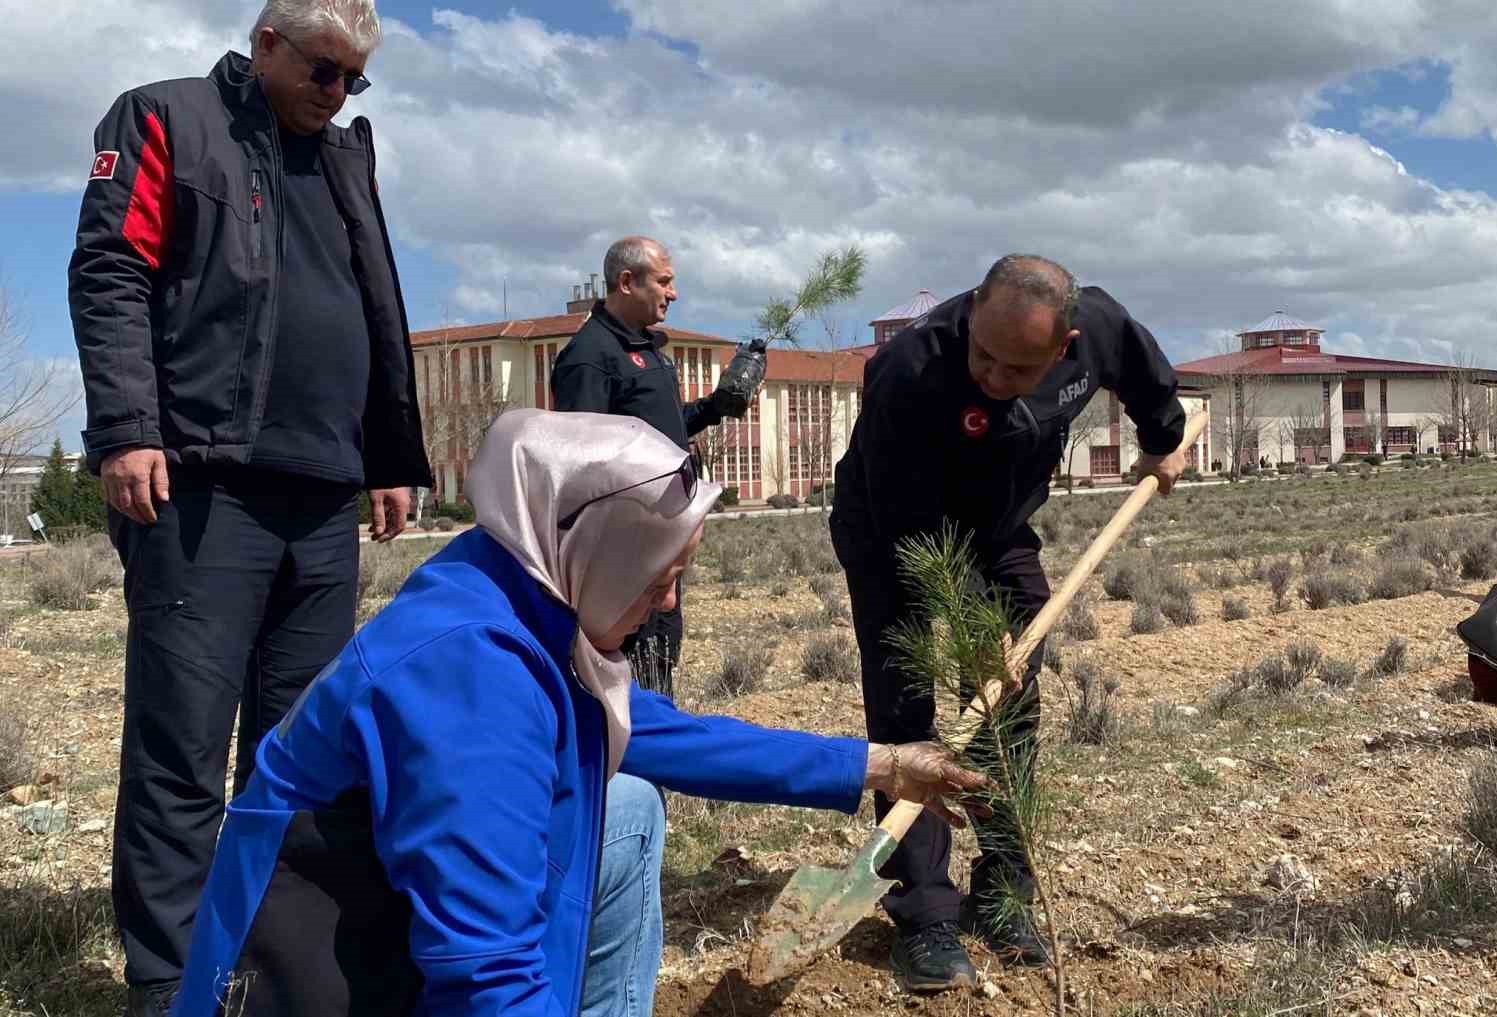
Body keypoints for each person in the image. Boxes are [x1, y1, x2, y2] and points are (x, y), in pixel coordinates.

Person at [169, 410, 985, 1017]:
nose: (667, 603)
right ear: (598, 547)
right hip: (307, 980)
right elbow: (485, 967)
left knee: (626, 806)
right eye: (659, 575)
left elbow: (663, 731)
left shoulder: (522, 583)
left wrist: (880, 764)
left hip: (380, 921)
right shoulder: (471, 676)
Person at [65, 0, 431, 1013]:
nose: (338, 94)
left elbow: (372, 307)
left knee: (301, 757)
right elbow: (112, 272)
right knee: (182, 754)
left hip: (322, 500)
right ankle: (168, 983)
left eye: (357, 80)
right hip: (202, 489)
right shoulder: (165, 119)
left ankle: (275, 977)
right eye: (324, 70)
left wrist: (388, 455)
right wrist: (129, 430)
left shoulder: (345, 157)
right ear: (267, 42)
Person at [829, 254, 1188, 990]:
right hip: (894, 531)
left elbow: (1146, 375)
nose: (992, 375)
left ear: (1063, 346)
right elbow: (913, 534)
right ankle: (925, 914)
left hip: (998, 526)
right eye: (982, 355)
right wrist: (972, 623)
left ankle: (1003, 890)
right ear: (973, 314)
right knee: (908, 714)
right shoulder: (909, 373)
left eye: (1016, 368)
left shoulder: (1101, 329)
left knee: (1008, 706)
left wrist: (1163, 436)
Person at [550, 236, 753, 695]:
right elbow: (581, 462)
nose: (673, 293)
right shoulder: (590, 358)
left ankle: (656, 759)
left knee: (659, 665)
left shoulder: (648, 349)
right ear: (626, 282)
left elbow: (662, 431)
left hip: (661, 547)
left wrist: (717, 406)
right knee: (628, 680)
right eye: (664, 281)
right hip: (624, 558)